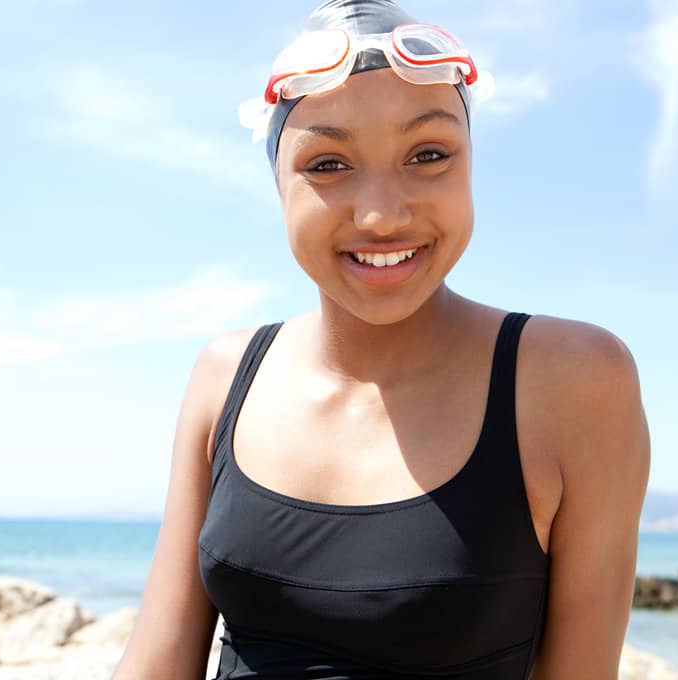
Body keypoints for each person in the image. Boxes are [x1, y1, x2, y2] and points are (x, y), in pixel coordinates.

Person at [112, 1, 650, 678]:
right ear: (277, 185)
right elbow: (156, 661)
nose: (381, 214)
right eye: (328, 164)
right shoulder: (226, 373)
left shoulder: (572, 378)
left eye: (427, 154)